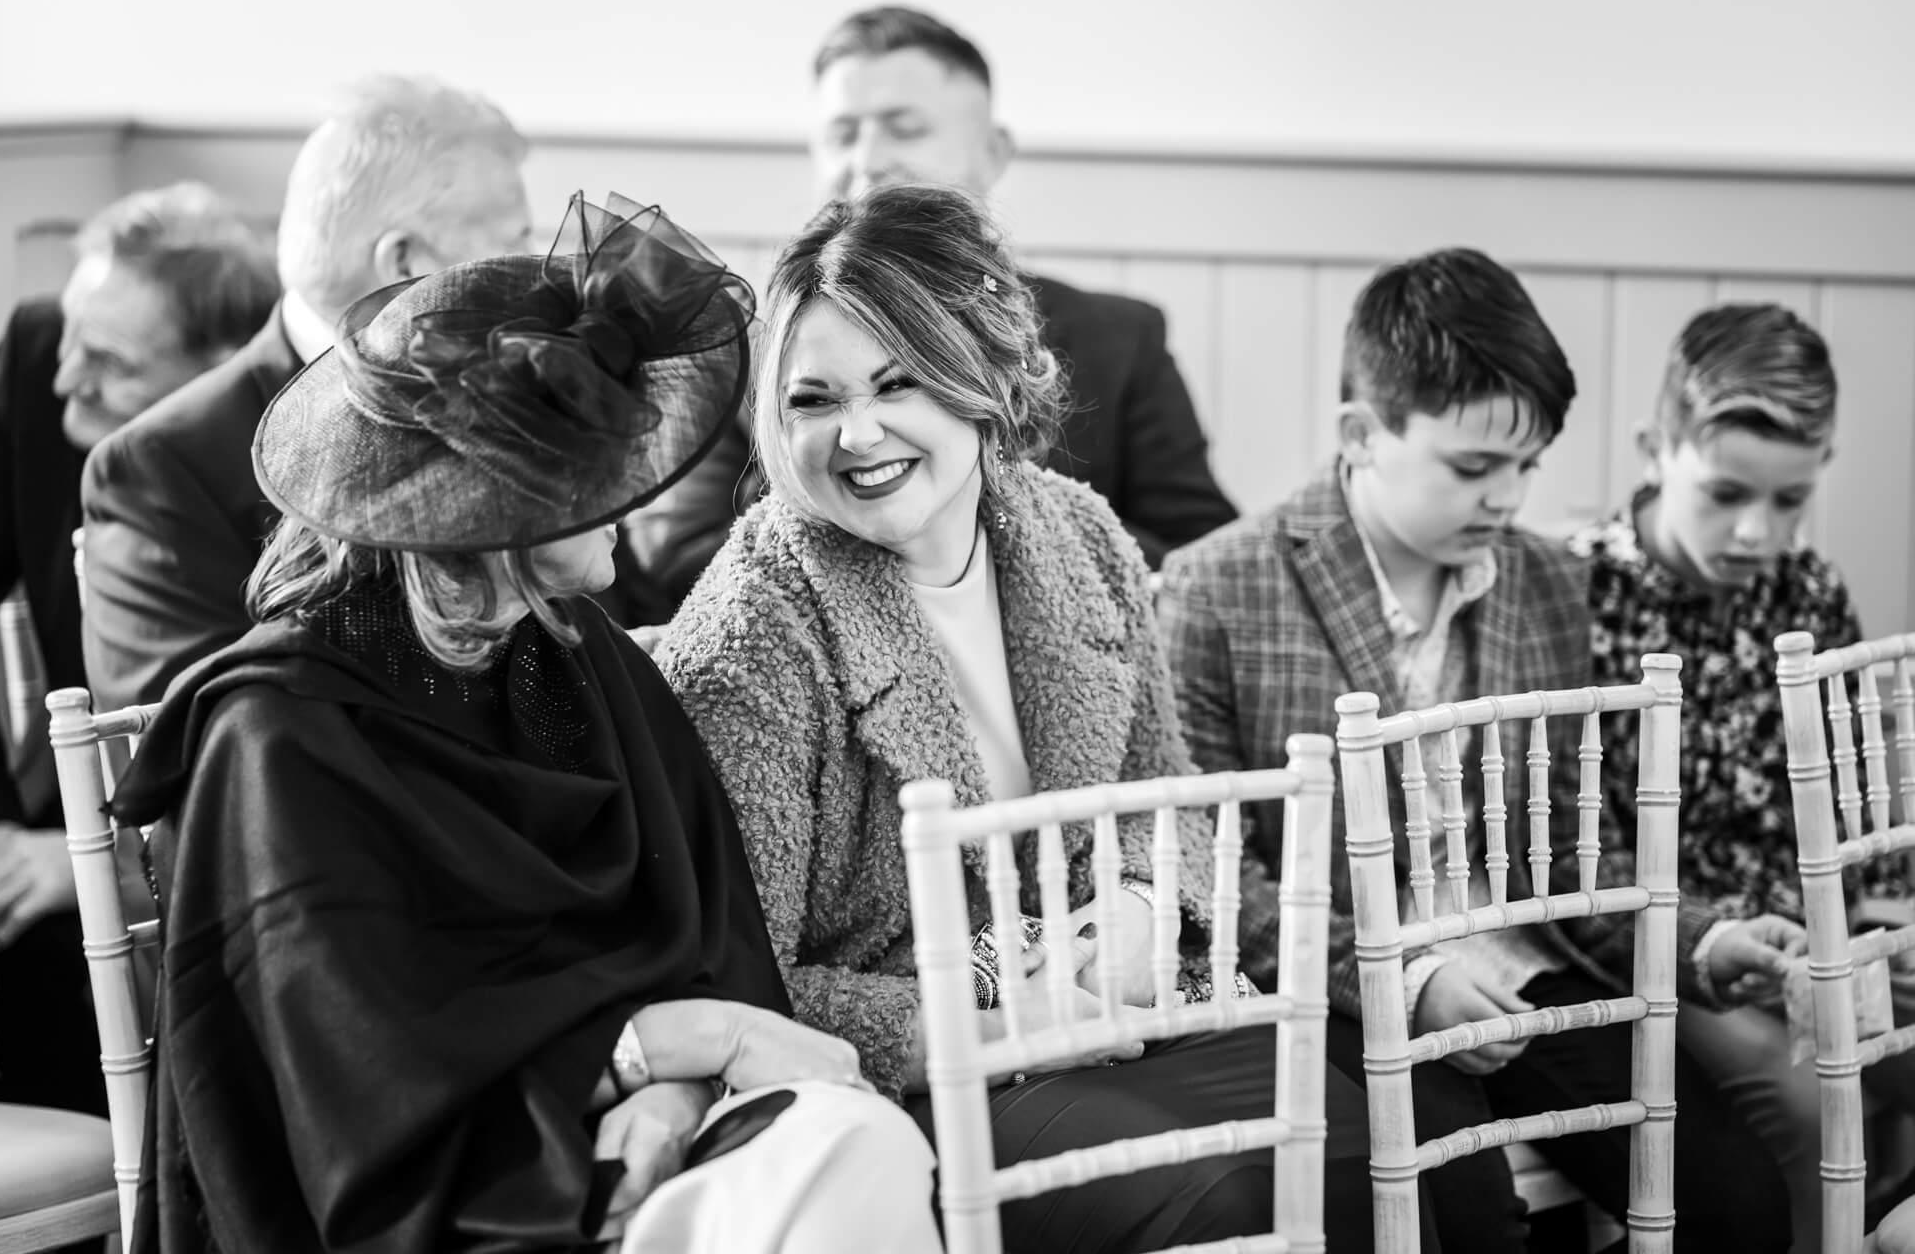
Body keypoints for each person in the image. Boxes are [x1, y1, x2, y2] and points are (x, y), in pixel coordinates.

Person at [104, 194, 941, 1254]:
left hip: (657, 1138)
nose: (642, 488)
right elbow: (369, 1104)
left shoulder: (581, 661)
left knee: (858, 1143)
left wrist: (671, 1093)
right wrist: (682, 1046)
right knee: (848, 1157)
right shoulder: (281, 736)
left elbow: (712, 947)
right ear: (495, 510)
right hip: (446, 1204)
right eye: (601, 468)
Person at [661, 182, 1405, 1253]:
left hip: (1127, 1014)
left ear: (987, 375)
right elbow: (742, 981)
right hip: (922, 1075)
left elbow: (1167, 801)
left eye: (898, 382)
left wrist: (1145, 908)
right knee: (1233, 1201)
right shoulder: (752, 633)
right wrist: (993, 1021)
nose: (857, 434)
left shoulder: (1080, 536)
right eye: (812, 400)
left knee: (1386, 1164)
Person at [1158, 248, 1796, 1252]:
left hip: (1526, 963)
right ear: (1361, 436)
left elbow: (1576, 849)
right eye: (1473, 467)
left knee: (1738, 1204)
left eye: (1526, 466)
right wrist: (1404, 981)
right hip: (1342, 988)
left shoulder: (1545, 581)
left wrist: (1704, 943)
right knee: (1468, 1221)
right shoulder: (1217, 588)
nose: (1506, 497)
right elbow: (1209, 873)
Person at [646, 5, 1236, 608]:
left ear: (993, 152)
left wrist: (984, 530)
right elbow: (677, 560)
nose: (868, 160)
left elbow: (1196, 551)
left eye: (904, 128)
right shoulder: (745, 343)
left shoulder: (1120, 337)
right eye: (843, 133)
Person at [1571, 302, 1915, 1250]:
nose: (1757, 531)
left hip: (1829, 941)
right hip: (1682, 957)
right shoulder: (1578, 595)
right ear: (1655, 450)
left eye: (1790, 499)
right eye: (1724, 494)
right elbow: (1581, 859)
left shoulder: (1809, 591)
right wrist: (1722, 944)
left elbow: (1857, 791)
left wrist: (1886, 918)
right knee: (1808, 1108)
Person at [80, 74, 539, 712]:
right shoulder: (160, 468)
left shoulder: (511, 400)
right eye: (515, 239)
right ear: (405, 262)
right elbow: (189, 730)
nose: (533, 265)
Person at [0, 181, 276, 1115]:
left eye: (109, 363)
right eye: (73, 338)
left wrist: (89, 859)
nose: (66, 380)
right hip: (46, 832)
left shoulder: (263, 461)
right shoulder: (37, 358)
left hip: (184, 859)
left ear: (214, 376)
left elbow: (244, 758)